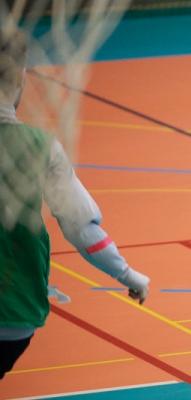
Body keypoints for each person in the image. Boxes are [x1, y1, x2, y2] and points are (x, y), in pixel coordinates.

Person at [0, 31, 150, 379]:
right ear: (21, 76)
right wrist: (127, 274)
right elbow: (82, 229)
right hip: (15, 317)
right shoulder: (41, 146)